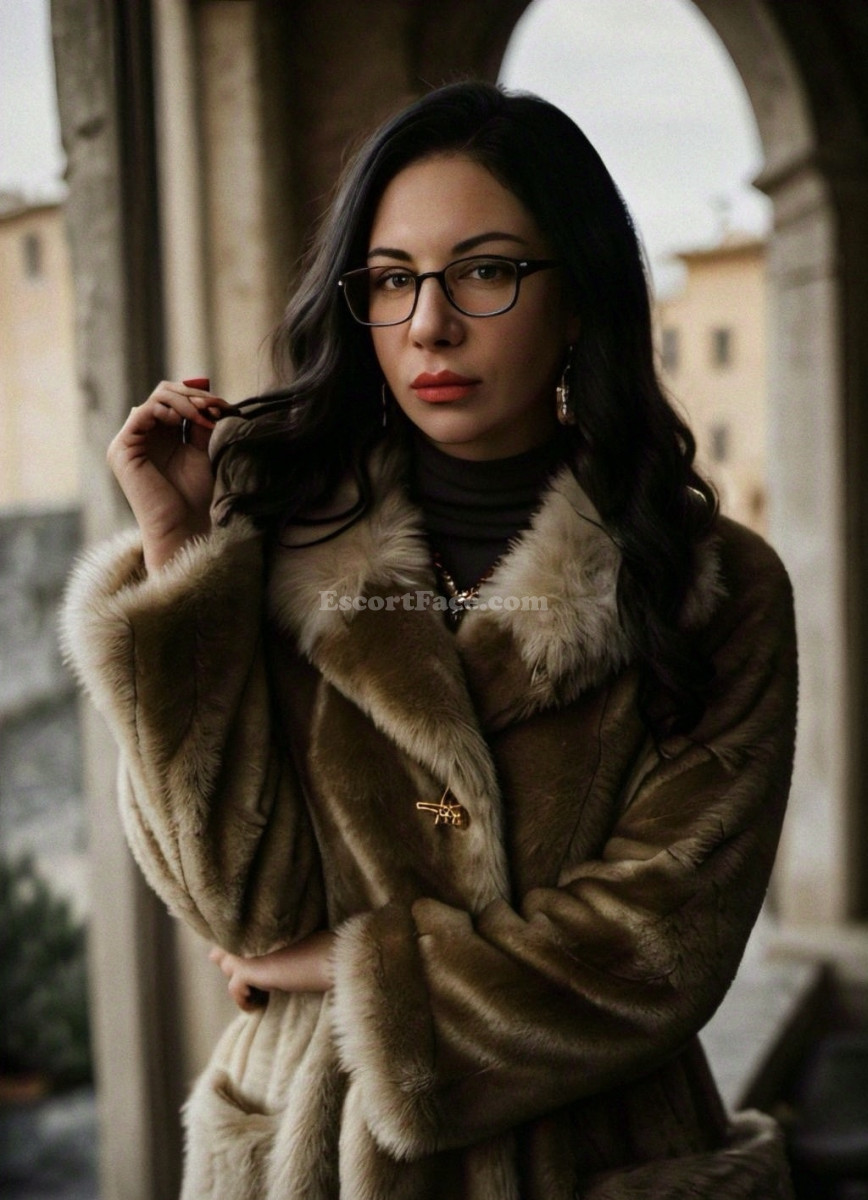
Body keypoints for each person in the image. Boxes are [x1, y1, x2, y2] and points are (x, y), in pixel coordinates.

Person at [61, 81, 797, 1199]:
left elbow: (657, 951)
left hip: (590, 1156)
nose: (428, 325)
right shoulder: (266, 545)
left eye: (484, 272)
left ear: (579, 297)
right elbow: (237, 908)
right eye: (392, 279)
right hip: (305, 1152)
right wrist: (179, 557)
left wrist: (345, 967)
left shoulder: (711, 587)